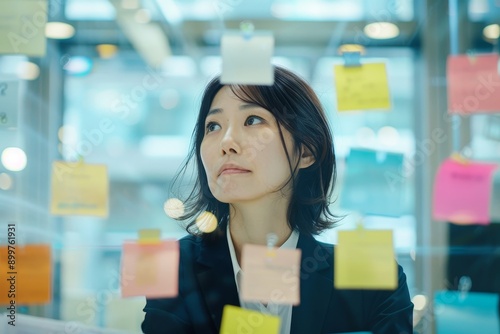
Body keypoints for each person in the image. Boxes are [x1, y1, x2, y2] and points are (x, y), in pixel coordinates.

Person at [141, 66, 414, 334]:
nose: (227, 142)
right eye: (213, 126)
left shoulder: (372, 279)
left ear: (306, 151)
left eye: (253, 120)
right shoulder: (174, 267)